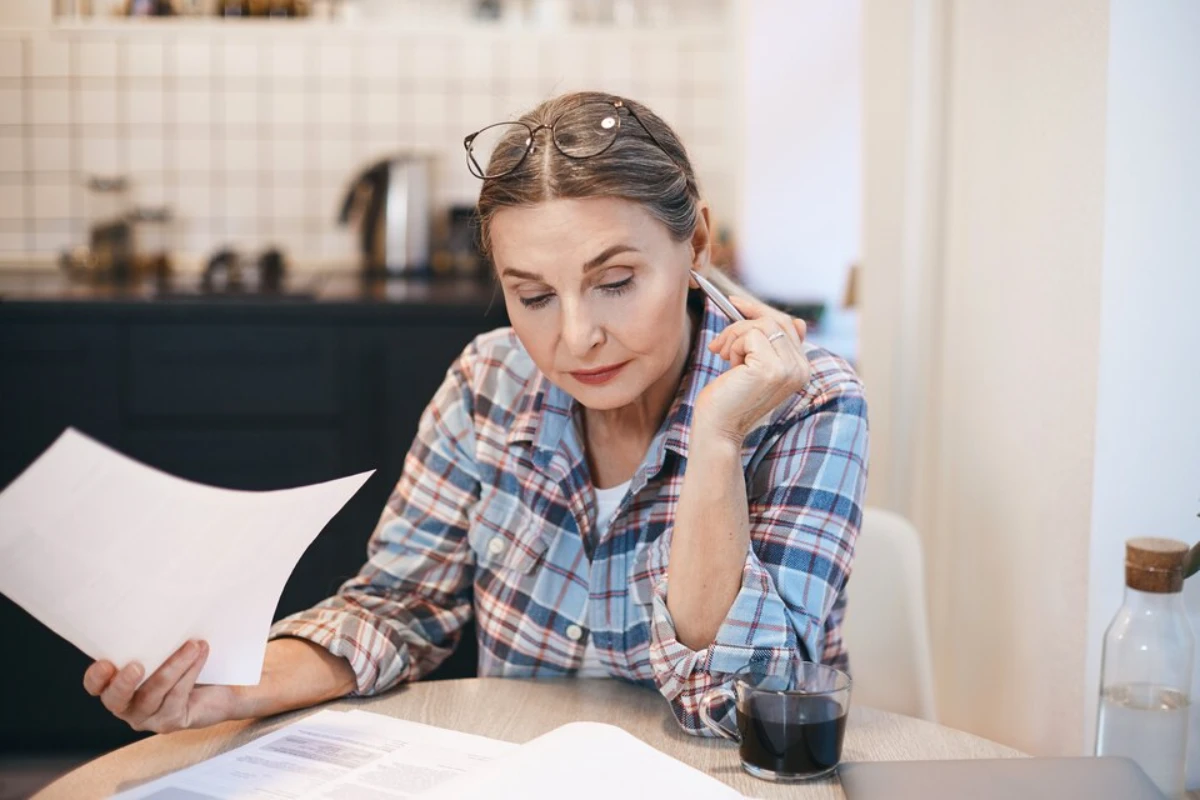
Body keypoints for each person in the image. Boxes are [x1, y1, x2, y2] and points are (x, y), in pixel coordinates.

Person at [83, 92, 869, 738]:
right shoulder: (488, 381)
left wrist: (717, 440)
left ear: (695, 242)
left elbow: (737, 703)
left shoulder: (811, 404)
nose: (576, 338)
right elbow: (398, 608)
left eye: (616, 282)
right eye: (533, 296)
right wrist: (228, 688)